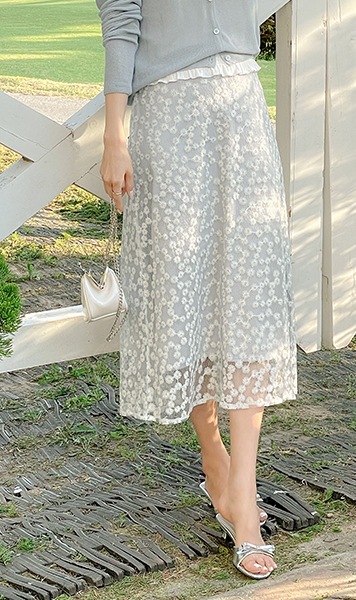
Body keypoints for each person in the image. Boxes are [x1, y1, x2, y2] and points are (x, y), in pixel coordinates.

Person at [95, 0, 298, 579]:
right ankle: (214, 458)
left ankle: (244, 495)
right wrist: (114, 136)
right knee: (182, 297)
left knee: (249, 299)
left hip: (242, 106)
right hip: (169, 117)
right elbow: (121, 19)